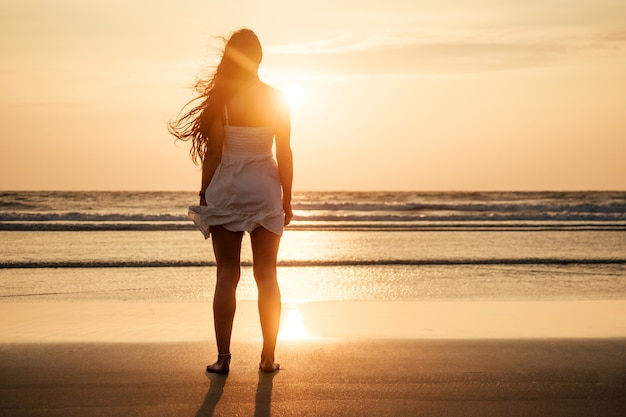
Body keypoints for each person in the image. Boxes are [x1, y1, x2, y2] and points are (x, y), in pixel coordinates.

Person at [169, 29, 293, 375]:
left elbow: (213, 154)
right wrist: (287, 198)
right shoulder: (277, 98)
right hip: (265, 188)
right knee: (267, 275)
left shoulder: (223, 102)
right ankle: (268, 358)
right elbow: (284, 152)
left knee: (227, 274)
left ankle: (223, 360)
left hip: (229, 187)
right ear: (259, 58)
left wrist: (205, 192)